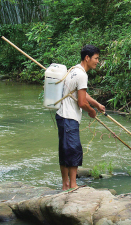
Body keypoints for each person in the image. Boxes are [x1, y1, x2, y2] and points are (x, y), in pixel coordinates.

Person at [55, 45, 105, 190]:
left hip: (62, 115)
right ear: (87, 58)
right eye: (96, 58)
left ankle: (66, 184)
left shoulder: (74, 70)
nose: (97, 62)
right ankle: (72, 184)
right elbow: (82, 102)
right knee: (74, 150)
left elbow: (80, 93)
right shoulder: (82, 74)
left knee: (65, 149)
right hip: (69, 117)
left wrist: (97, 104)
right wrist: (91, 111)